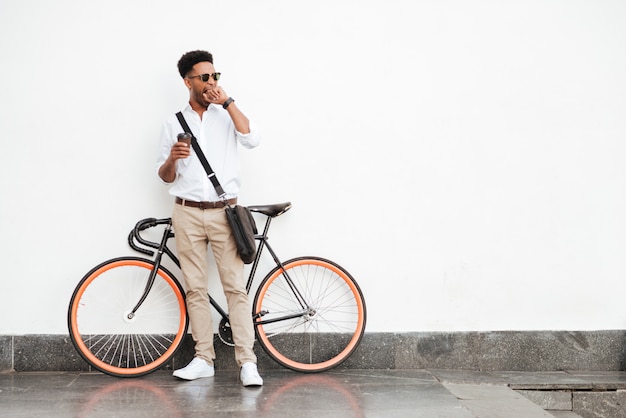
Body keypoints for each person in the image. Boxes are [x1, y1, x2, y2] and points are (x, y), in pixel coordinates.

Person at [156, 50, 262, 386]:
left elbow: (252, 139)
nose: (212, 82)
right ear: (188, 82)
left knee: (235, 288)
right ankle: (204, 358)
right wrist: (173, 157)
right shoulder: (173, 122)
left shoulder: (225, 113)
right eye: (205, 77)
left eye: (215, 76)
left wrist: (228, 102)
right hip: (186, 212)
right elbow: (165, 176)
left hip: (223, 213)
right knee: (195, 290)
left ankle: (247, 362)